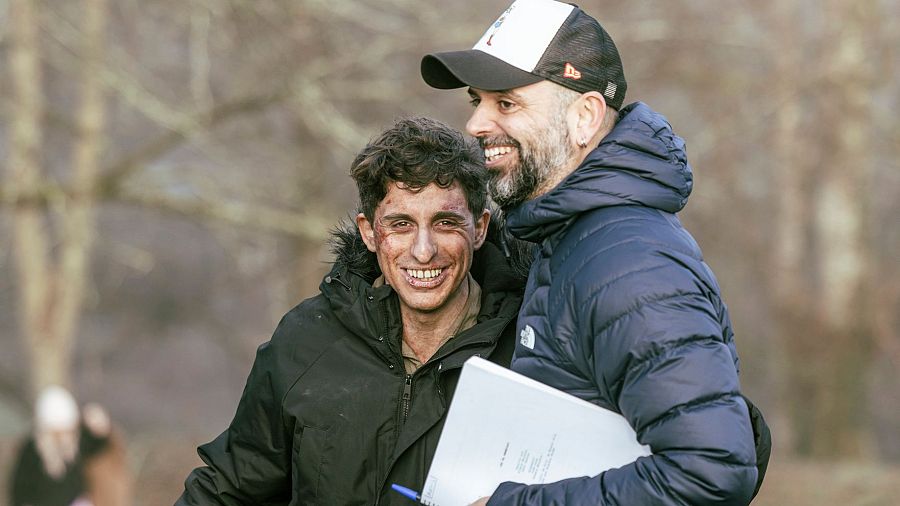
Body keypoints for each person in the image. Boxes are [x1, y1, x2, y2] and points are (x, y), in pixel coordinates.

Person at [421, 0, 771, 503]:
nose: (476, 124)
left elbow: (710, 470)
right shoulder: (565, 241)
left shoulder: (628, 264)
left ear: (584, 118)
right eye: (476, 101)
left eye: (506, 103)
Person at [176, 117, 528, 504]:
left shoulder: (528, 346)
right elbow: (229, 491)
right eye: (401, 224)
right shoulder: (307, 340)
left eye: (445, 223)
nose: (423, 250)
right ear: (369, 233)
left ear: (479, 228)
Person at [9, 385, 129, 506]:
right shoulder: (31, 450)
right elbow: (20, 487)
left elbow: (102, 445)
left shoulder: (79, 444)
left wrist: (102, 427)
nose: (61, 437)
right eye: (56, 432)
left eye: (65, 431)